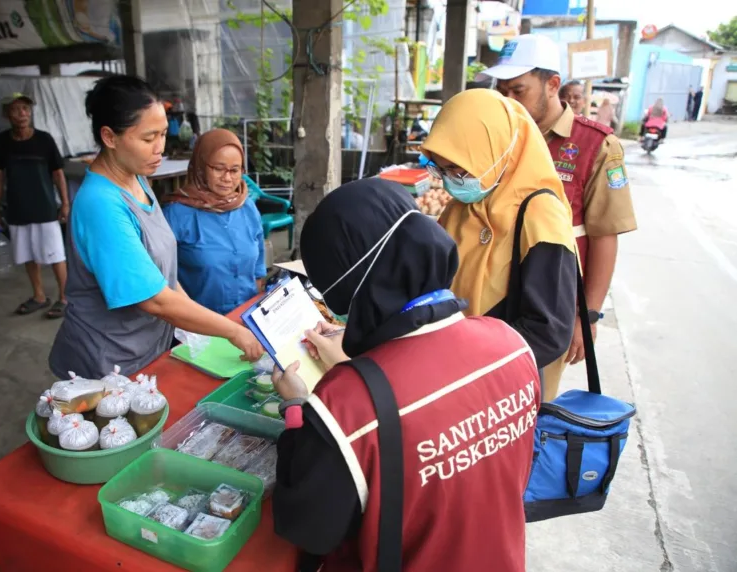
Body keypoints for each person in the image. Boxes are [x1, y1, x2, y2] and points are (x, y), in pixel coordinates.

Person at [271, 178, 541, 572]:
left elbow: (308, 528)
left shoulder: (346, 403)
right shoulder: (512, 345)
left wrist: (297, 408)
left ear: (346, 288)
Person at [48, 75, 263, 380]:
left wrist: (198, 324)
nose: (159, 148)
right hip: (109, 361)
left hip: (150, 348)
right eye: (149, 139)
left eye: (163, 134)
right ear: (109, 137)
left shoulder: (137, 179)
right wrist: (232, 331)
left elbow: (164, 277)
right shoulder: (101, 204)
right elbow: (155, 298)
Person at [480, 34, 638, 401]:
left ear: (553, 86)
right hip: (489, 297)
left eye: (518, 91)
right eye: (502, 91)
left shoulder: (595, 145)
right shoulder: (499, 134)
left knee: (531, 403)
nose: (509, 102)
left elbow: (603, 234)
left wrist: (588, 316)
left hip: (548, 308)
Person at [421, 88, 576, 383]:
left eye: (458, 168)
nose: (451, 181)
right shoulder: (462, 207)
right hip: (452, 368)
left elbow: (549, 331)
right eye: (441, 169)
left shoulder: (540, 215)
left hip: (503, 381)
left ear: (498, 150)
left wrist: (471, 363)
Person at [162, 129, 266, 315]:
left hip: (246, 320)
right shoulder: (176, 215)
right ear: (201, 167)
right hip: (199, 328)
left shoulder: (247, 207)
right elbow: (161, 277)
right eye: (218, 169)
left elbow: (258, 270)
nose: (227, 178)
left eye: (234, 170)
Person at [0, 93, 70, 319]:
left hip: (44, 209)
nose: (22, 114)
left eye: (25, 108)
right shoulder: (0, 142)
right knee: (28, 255)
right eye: (16, 110)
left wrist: (65, 203)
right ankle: (39, 296)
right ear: (7, 115)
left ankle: (65, 298)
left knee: (55, 255)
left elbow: (58, 173)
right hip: (17, 209)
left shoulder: (44, 140)